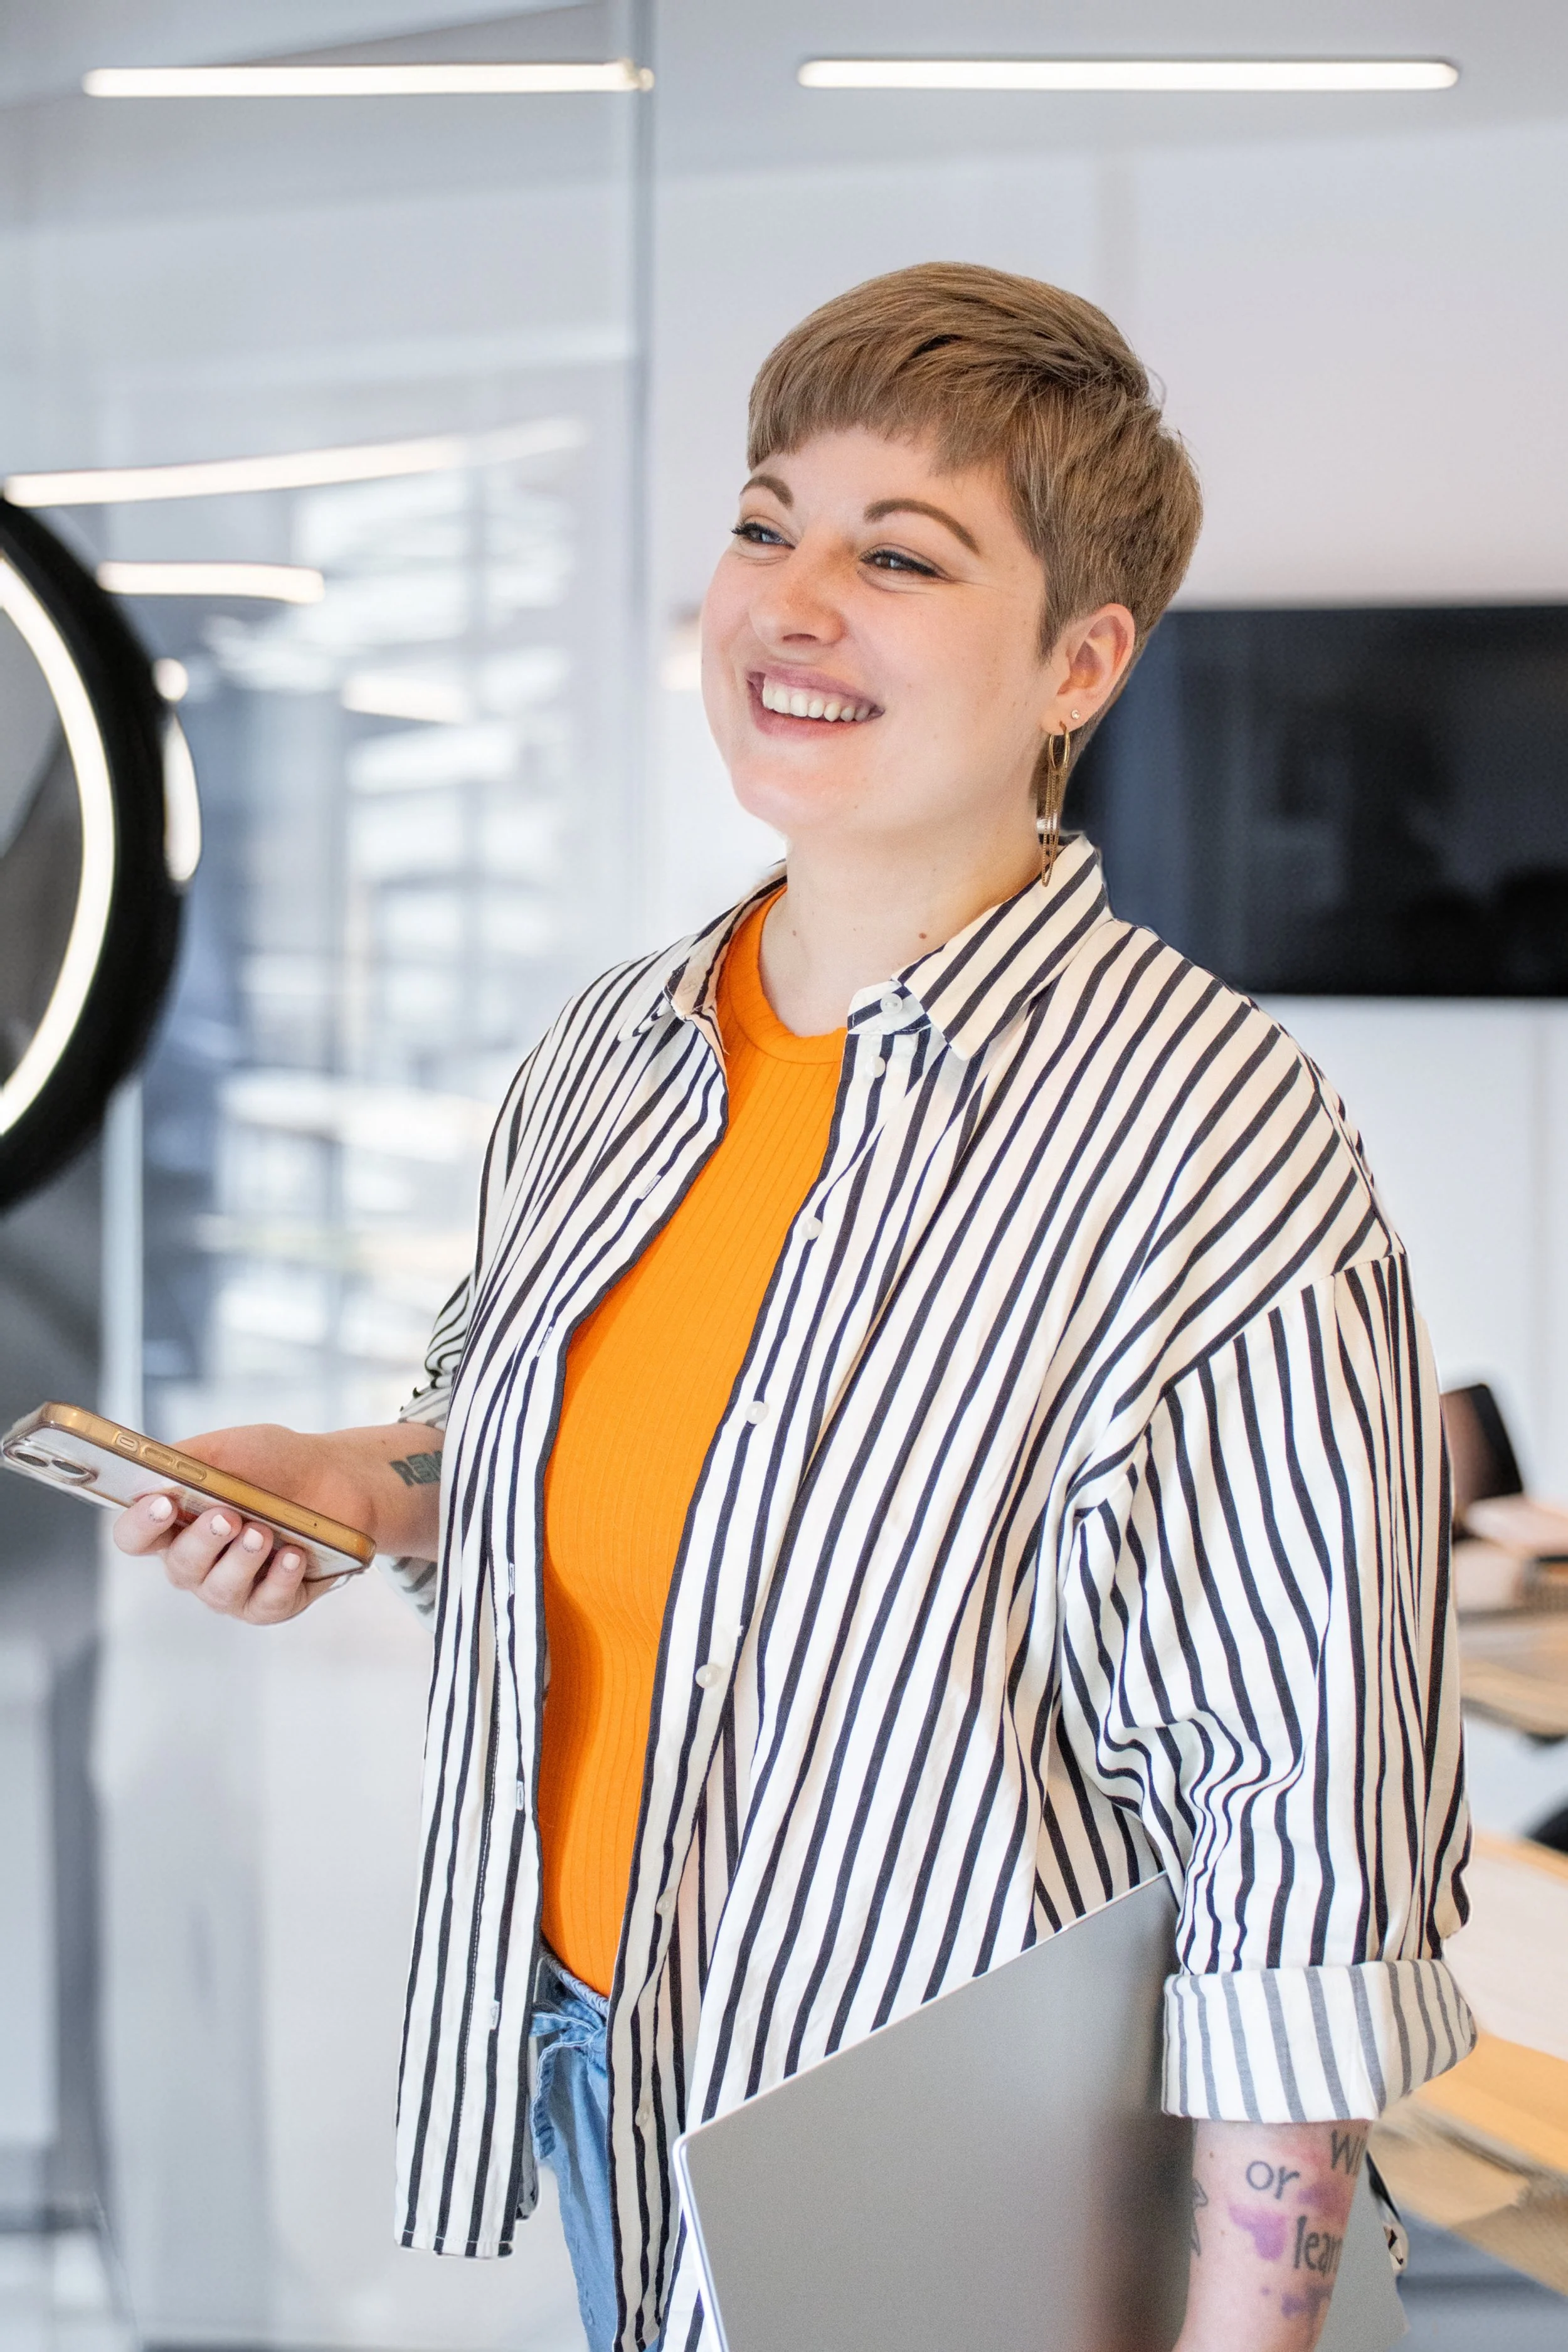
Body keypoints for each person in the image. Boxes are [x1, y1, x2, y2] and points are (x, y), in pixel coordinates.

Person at [115, 264, 1474, 2352]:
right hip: (601, 2049)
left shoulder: (1207, 1129)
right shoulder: (619, 1048)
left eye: (898, 555)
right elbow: (554, 1446)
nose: (790, 599)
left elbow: (1301, 1814)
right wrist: (349, 1481)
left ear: (1078, 662)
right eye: (765, 524)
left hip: (947, 2155)